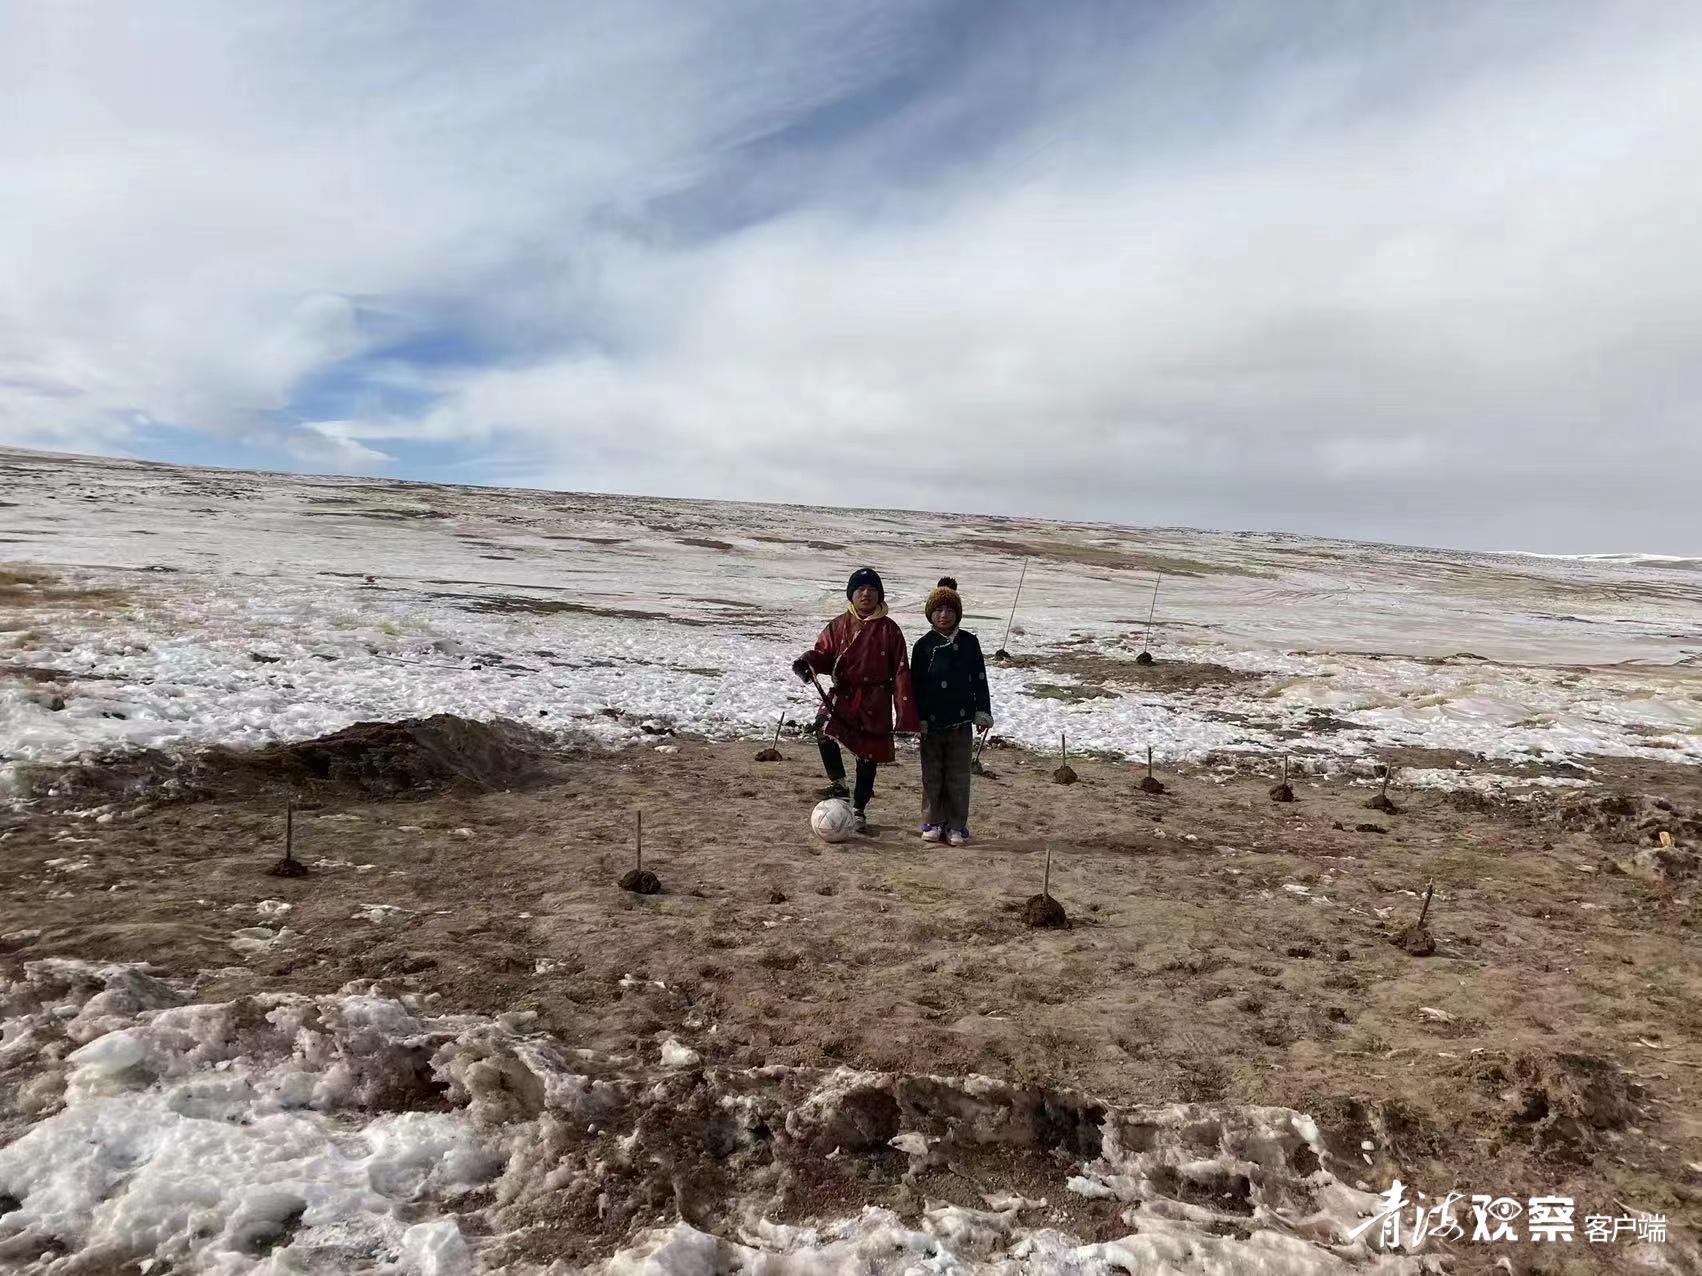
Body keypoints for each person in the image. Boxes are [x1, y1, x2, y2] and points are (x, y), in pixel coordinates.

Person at [791, 567, 919, 834]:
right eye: (861, 589)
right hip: (845, 693)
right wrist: (808, 662)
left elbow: (901, 673)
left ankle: (859, 808)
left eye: (872, 590)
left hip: (876, 699)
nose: (866, 594)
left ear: (879, 595)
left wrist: (905, 714)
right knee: (823, 728)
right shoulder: (838, 625)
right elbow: (823, 654)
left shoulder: (891, 631)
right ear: (852, 594)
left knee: (867, 755)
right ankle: (838, 783)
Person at [909, 577, 992, 846]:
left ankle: (957, 825)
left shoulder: (969, 642)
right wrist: (917, 718)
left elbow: (980, 678)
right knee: (932, 774)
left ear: (957, 613)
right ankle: (932, 821)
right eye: (938, 610)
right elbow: (916, 685)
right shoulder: (923, 646)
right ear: (930, 615)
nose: (944, 615)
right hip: (931, 723)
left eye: (949, 610)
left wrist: (982, 711)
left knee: (958, 775)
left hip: (961, 721)